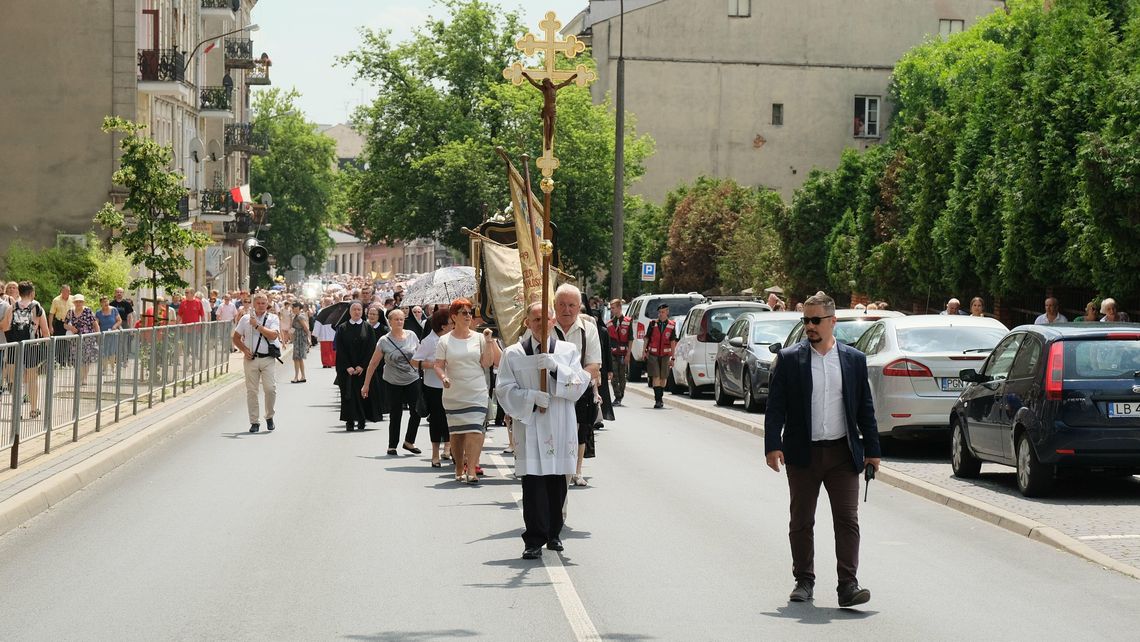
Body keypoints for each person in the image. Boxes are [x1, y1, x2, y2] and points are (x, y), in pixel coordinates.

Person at [764, 291, 881, 607]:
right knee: (801, 519)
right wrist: (772, 445)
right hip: (803, 454)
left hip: (843, 454)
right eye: (805, 320)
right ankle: (804, 580)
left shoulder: (853, 360)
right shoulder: (790, 359)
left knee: (847, 519)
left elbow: (864, 409)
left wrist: (872, 450)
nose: (809, 327)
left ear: (833, 321)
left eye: (816, 321)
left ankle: (848, 585)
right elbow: (776, 407)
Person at [496, 302, 591, 560]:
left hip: (559, 424)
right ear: (527, 323)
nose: (541, 324)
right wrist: (530, 397)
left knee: (557, 482)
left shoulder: (567, 350)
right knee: (534, 484)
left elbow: (580, 383)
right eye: (535, 319)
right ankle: (534, 538)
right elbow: (503, 389)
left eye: (546, 319)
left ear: (553, 321)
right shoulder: (514, 353)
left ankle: (554, 533)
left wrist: (556, 368)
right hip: (531, 425)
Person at [434, 298, 500, 482]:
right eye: (464, 312)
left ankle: (471, 469)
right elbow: (438, 365)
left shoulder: (479, 338)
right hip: (454, 393)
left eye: (470, 312)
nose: (468, 316)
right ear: (454, 317)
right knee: (456, 434)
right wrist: (443, 377)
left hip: (476, 391)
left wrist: (488, 342)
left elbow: (487, 363)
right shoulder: (444, 341)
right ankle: (458, 468)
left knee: (475, 431)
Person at [552, 284, 602, 486]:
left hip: (579, 388)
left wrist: (572, 382)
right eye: (562, 304)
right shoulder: (545, 326)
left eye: (572, 305)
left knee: (579, 431)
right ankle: (553, 468)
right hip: (551, 389)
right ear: (554, 305)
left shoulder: (588, 329)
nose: (567, 310)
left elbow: (594, 365)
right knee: (553, 431)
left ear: (579, 306)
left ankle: (576, 470)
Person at [363, 308, 422, 456]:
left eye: (401, 319)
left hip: (412, 378)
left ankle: (409, 441)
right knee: (396, 414)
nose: (399, 322)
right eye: (396, 319)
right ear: (390, 322)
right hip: (392, 381)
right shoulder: (384, 340)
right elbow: (373, 363)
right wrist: (366, 384)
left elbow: (421, 355)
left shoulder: (412, 336)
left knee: (417, 411)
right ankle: (392, 445)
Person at [232, 293, 281, 433]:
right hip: (251, 359)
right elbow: (235, 338)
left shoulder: (273, 318)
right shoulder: (245, 319)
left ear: (267, 304)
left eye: (263, 303)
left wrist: (257, 326)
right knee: (252, 391)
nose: (261, 305)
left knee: (270, 389)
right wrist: (244, 350)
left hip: (267, 359)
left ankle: (269, 415)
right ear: (254, 304)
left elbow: (273, 335)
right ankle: (254, 421)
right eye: (258, 303)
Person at [412, 308, 454, 467]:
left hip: (452, 385)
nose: (453, 325)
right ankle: (435, 453)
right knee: (437, 420)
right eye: (451, 323)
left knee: (451, 418)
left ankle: (449, 448)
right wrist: (435, 365)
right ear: (443, 326)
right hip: (434, 386)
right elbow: (415, 361)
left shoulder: (454, 339)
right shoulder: (429, 341)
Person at [2, 282, 50, 418]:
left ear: (19, 292)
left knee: (14, 380)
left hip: (13, 347)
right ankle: (34, 409)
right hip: (31, 347)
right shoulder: (37, 308)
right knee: (32, 379)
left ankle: (16, 411)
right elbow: (45, 331)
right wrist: (48, 348)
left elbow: (5, 326)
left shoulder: (11, 307)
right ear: (32, 293)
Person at [335, 302, 378, 431]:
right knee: (348, 395)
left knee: (362, 394)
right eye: (354, 309)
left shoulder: (367, 327)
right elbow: (340, 348)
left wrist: (362, 366)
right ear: (350, 312)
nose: (357, 312)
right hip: (346, 369)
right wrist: (347, 366)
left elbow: (371, 348)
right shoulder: (342, 328)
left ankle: (361, 420)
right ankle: (349, 421)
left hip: (362, 369)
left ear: (362, 312)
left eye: (359, 310)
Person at [644, 303, 678, 410]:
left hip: (665, 355)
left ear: (667, 312)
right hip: (653, 354)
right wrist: (644, 350)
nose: (661, 314)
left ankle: (660, 397)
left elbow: (673, 342)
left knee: (663, 378)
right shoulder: (653, 324)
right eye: (659, 312)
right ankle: (657, 400)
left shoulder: (671, 325)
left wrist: (673, 357)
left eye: (663, 312)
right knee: (656, 377)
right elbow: (647, 338)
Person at [63, 294, 98, 382]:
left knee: (86, 358)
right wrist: (71, 328)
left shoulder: (88, 311)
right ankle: (79, 375)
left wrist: (98, 335)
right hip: (75, 339)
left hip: (88, 338)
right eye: (77, 302)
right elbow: (65, 324)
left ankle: (84, 377)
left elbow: (95, 323)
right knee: (77, 358)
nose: (79, 303)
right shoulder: (70, 311)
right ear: (74, 302)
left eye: (80, 302)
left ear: (83, 302)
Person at [606, 298, 632, 407]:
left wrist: (628, 354)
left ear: (619, 308)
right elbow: (607, 341)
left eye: (613, 308)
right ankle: (617, 396)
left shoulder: (627, 321)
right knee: (614, 375)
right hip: (613, 353)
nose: (611, 310)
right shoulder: (609, 324)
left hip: (623, 352)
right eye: (611, 308)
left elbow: (631, 339)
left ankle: (621, 395)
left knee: (622, 376)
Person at [94, 295, 122, 363]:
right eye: (103, 302)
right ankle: (104, 368)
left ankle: (112, 368)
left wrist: (115, 326)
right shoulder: (98, 312)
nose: (106, 303)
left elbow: (119, 320)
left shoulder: (114, 310)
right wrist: (97, 333)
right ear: (101, 303)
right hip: (103, 335)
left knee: (112, 351)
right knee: (104, 351)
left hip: (113, 334)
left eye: (107, 301)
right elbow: (96, 324)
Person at [48, 284, 71, 366]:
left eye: (68, 291)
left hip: (70, 323)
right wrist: (50, 326)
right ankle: (60, 360)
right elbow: (51, 314)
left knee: (69, 341)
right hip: (59, 323)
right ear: (61, 291)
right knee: (59, 342)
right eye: (64, 291)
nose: (66, 293)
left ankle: (68, 360)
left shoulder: (73, 299)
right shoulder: (56, 300)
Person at [289, 301, 311, 383]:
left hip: (300, 338)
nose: (293, 309)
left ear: (299, 308)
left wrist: (307, 339)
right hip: (298, 337)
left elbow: (306, 328)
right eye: (293, 307)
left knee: (296, 358)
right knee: (299, 358)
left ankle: (296, 377)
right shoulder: (298, 316)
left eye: (295, 307)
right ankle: (302, 376)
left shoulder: (299, 316)